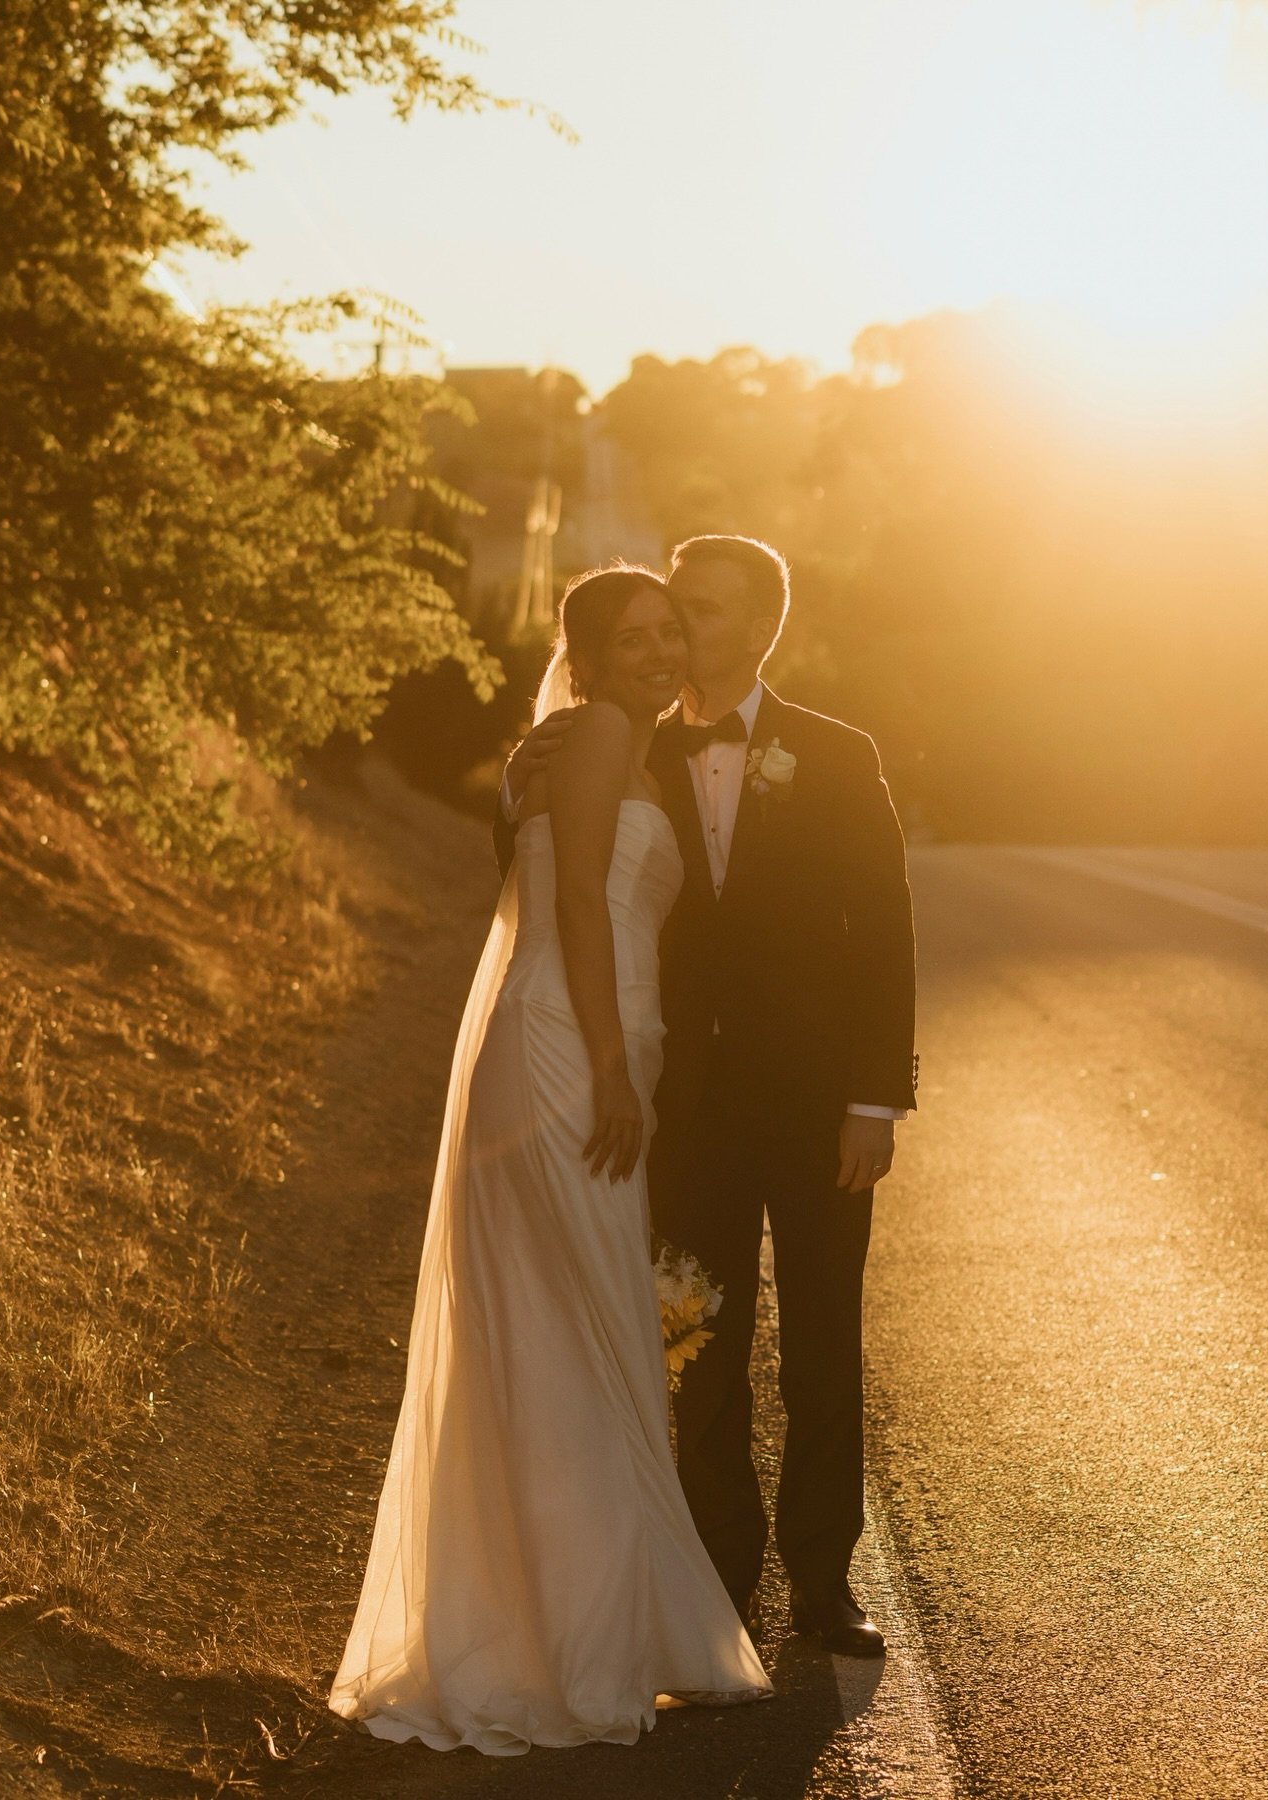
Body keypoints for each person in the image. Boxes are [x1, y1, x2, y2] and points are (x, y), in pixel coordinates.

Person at [328, 566, 771, 1755]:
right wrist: (616, 1073)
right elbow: (575, 900)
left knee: (574, 1325)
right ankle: (576, 1645)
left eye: (673, 632)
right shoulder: (602, 734)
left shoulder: (588, 741)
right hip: (565, 1051)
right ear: (587, 647)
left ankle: (572, 1627)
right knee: (578, 1325)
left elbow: (545, 882)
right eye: (635, 637)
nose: (661, 652)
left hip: (587, 1039)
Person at [499, 535, 916, 1659]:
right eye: (673, 610)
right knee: (697, 1344)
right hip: (683, 1112)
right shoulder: (627, 745)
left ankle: (824, 1583)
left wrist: (877, 1097)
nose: (681, 630)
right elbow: (554, 877)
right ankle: (717, 1581)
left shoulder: (836, 753)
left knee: (826, 1342)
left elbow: (883, 932)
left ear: (761, 627)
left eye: (703, 611)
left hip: (820, 1105)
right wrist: (512, 782)